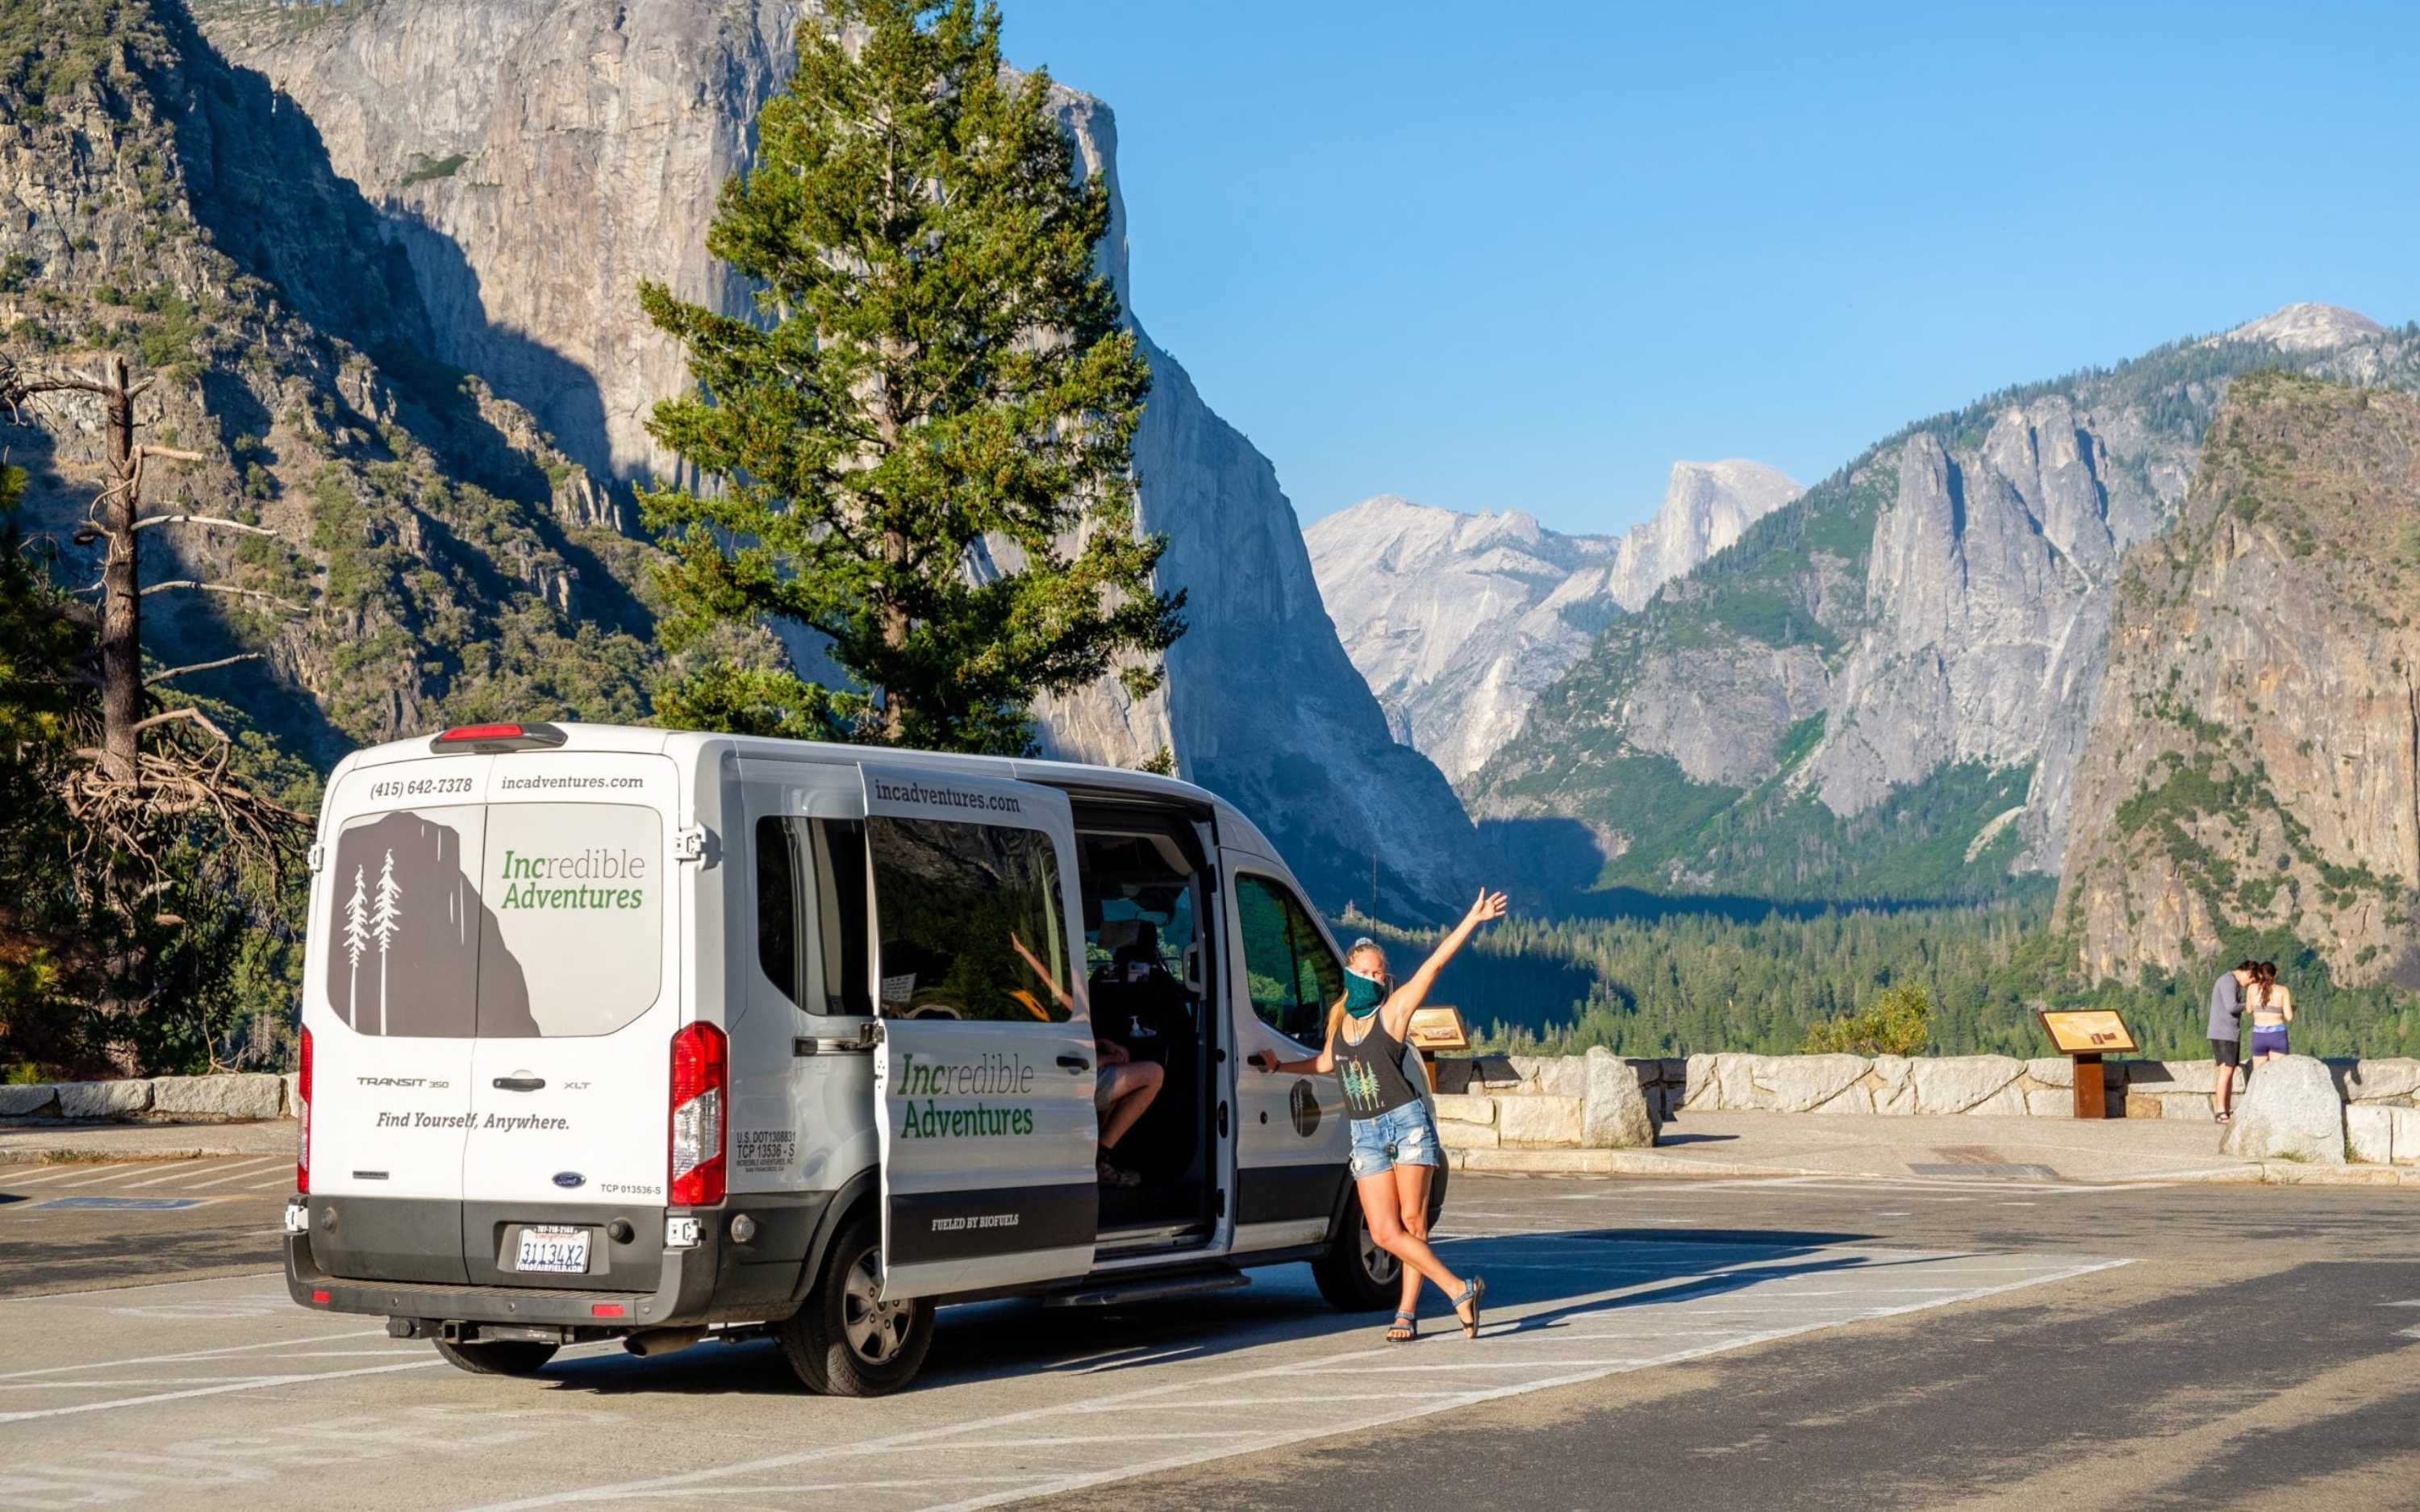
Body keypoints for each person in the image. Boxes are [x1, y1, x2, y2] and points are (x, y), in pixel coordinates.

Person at [1254, 887, 1508, 1343]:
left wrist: (1473, 920)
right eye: (1367, 971)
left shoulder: (1391, 1013)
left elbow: (1432, 967)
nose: (1375, 978)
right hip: (1365, 1133)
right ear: (1350, 971)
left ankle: (1406, 1311)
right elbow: (1325, 1064)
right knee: (1384, 1230)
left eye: (1381, 972)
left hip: (1406, 1124)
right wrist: (1279, 1067)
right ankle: (1459, 1288)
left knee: (1412, 1224)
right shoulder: (1341, 1021)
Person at [1011, 929, 1162, 1187]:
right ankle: (1100, 1158)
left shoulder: (1038, 993)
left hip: (1069, 1070)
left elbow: (1060, 999)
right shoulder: (1059, 992)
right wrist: (1104, 1059)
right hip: (1071, 1076)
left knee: (1121, 1069)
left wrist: (1102, 1045)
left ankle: (1099, 1158)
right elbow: (1067, 1050)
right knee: (1153, 1074)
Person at [2208, 960, 2254, 1123]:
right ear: (2248, 973)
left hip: (2225, 1033)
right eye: (2251, 981)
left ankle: (2225, 1109)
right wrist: (2249, 1004)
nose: (2249, 985)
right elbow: (2231, 1007)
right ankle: (2221, 1111)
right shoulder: (2229, 982)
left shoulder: (2228, 980)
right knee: (2226, 1071)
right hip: (2224, 1033)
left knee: (2229, 1071)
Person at [2247, 960, 2294, 1064]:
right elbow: (2289, 1017)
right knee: (2277, 1075)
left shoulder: (2251, 989)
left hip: (2259, 1035)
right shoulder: (2283, 990)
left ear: (2259, 974)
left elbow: (2249, 1010)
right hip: (2277, 1035)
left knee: (2258, 1075)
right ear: (2275, 974)